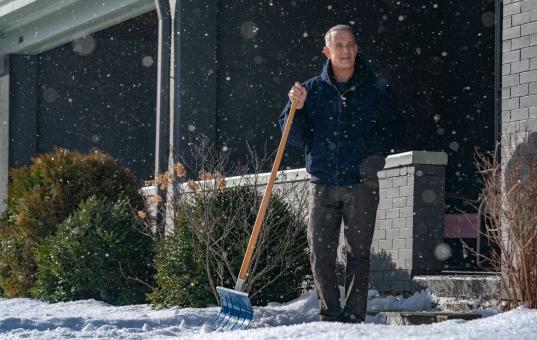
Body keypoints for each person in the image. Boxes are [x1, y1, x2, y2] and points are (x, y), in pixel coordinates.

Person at [279, 24, 401, 323]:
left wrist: (373, 159)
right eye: (339, 46)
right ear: (327, 51)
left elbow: (391, 130)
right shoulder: (311, 90)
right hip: (322, 184)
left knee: (358, 254)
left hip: (361, 183)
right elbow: (291, 136)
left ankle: (354, 315)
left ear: (356, 49)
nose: (345, 51)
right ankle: (330, 314)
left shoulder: (375, 89)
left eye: (350, 45)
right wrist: (297, 108)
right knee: (320, 253)